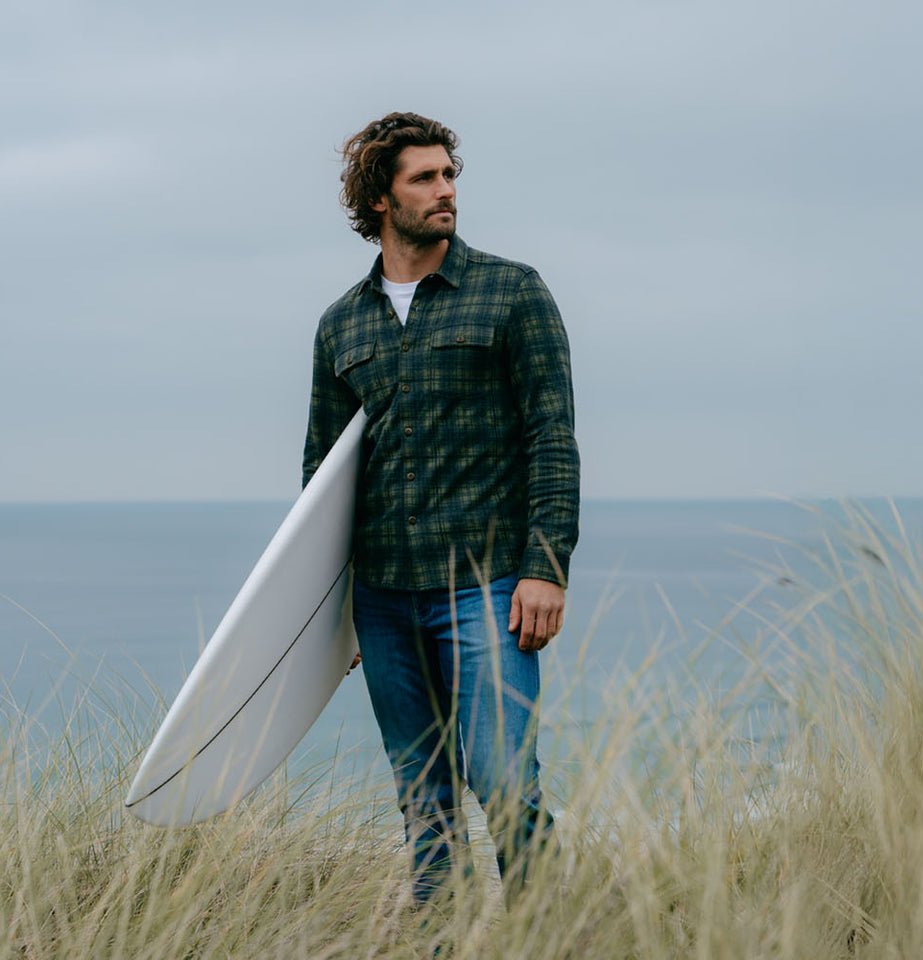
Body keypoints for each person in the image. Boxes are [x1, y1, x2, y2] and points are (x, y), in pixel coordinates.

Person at [302, 112, 578, 905]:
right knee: (423, 803)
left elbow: (551, 436)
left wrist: (546, 568)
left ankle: (550, 935)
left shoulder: (512, 292)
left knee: (504, 783)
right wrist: (329, 616)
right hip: (383, 600)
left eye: (449, 174)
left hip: (487, 586)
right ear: (380, 199)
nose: (445, 190)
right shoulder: (342, 324)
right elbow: (322, 480)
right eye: (424, 178)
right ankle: (437, 942)